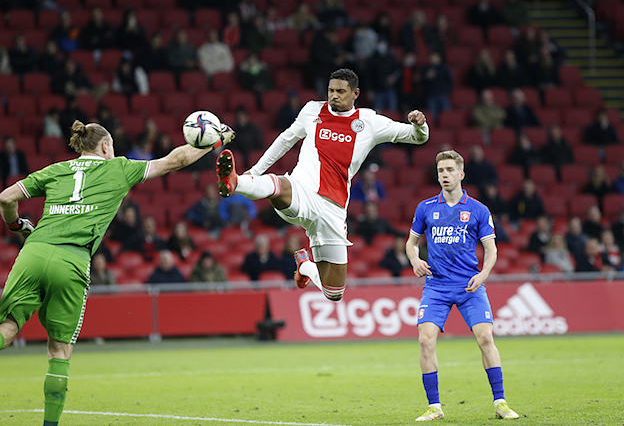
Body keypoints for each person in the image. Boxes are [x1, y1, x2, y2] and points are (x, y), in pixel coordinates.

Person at [0, 118, 233, 426]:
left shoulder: (55, 170)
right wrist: (216, 141)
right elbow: (175, 160)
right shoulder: (118, 168)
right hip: (71, 259)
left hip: (33, 252)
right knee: (59, 349)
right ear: (105, 145)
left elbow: (6, 197)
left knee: (8, 327)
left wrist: (16, 225)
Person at [216, 68, 428, 301]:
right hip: (303, 191)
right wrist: (254, 172)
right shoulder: (312, 110)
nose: (334, 95)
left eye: (340, 91)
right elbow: (285, 140)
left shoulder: (369, 122)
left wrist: (420, 125)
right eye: (330, 90)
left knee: (334, 293)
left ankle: (305, 266)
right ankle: (236, 182)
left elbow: (418, 137)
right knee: (280, 185)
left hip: (333, 210)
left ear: (355, 93)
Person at [405, 149, 518, 421]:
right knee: (425, 341)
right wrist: (415, 259)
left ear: (461, 174)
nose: (444, 175)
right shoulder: (425, 208)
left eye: (449, 170)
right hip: (436, 287)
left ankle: (500, 403)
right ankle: (434, 407)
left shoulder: (478, 209)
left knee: (486, 338)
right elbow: (411, 243)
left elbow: (491, 250)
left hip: (470, 286)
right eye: (440, 171)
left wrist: (483, 275)